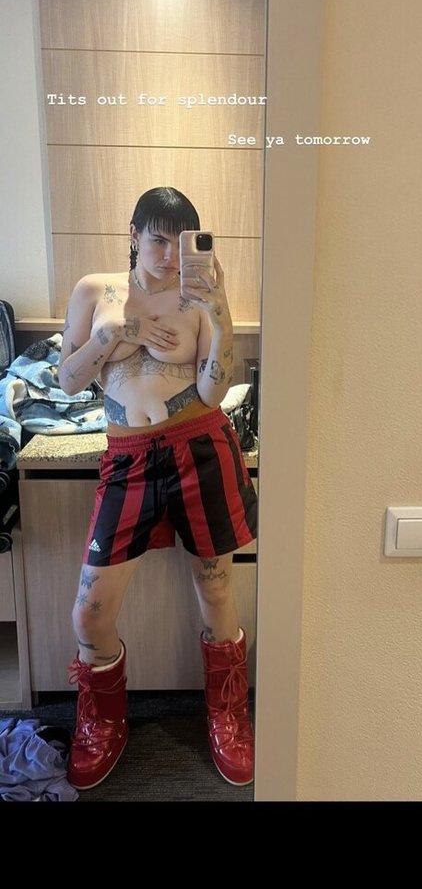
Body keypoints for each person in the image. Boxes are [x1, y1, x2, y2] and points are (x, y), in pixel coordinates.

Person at [58, 186, 258, 790]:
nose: (170, 256)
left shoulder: (199, 296)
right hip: (126, 461)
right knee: (90, 612)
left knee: (215, 590)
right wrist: (114, 334)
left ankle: (228, 715)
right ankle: (104, 723)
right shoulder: (95, 291)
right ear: (134, 234)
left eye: (181, 243)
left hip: (199, 446)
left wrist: (220, 313)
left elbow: (213, 392)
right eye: (158, 240)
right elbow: (68, 382)